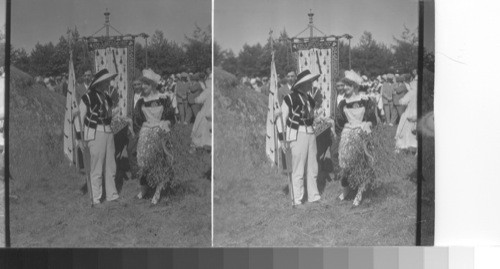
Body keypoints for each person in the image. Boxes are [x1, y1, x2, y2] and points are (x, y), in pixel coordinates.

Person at [277, 69, 321, 208]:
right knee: (298, 167)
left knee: (312, 166)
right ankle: (297, 199)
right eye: (308, 82)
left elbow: (311, 116)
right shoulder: (290, 98)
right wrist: (282, 139)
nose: (311, 84)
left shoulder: (310, 99)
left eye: (311, 82)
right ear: (302, 84)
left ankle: (314, 196)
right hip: (297, 134)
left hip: (310, 133)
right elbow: (281, 119)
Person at [76, 68, 120, 207]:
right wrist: (79, 138)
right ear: (99, 83)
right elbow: (79, 118)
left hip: (108, 131)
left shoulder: (107, 97)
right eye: (106, 81)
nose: (108, 83)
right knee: (97, 166)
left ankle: (112, 194)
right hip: (95, 133)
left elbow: (109, 114)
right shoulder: (87, 97)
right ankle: (96, 198)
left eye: (108, 81)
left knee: (111, 164)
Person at [133, 69, 176, 205]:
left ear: (152, 85)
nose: (143, 87)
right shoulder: (141, 102)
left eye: (145, 84)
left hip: (160, 131)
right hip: (146, 133)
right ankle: (144, 188)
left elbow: (171, 117)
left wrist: (166, 122)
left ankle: (158, 191)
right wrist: (141, 130)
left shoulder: (163, 99)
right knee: (144, 161)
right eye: (142, 84)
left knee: (160, 161)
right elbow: (137, 120)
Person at [335, 70, 377, 207]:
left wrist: (367, 124)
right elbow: (339, 122)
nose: (345, 88)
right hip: (348, 134)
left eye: (348, 85)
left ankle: (360, 192)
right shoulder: (342, 103)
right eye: (344, 85)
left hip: (361, 133)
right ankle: (346, 190)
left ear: (355, 86)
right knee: (346, 164)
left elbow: (372, 119)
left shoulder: (365, 101)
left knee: (361, 163)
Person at [190, 70, 212, 153]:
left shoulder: (208, 91)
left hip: (205, 112)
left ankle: (195, 147)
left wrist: (195, 99)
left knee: (199, 129)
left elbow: (199, 99)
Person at [395, 74, 418, 153]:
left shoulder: (412, 92)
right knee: (414, 131)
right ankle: (414, 147)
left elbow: (403, 101)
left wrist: (400, 100)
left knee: (404, 129)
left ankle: (402, 146)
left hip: (409, 113)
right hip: (417, 114)